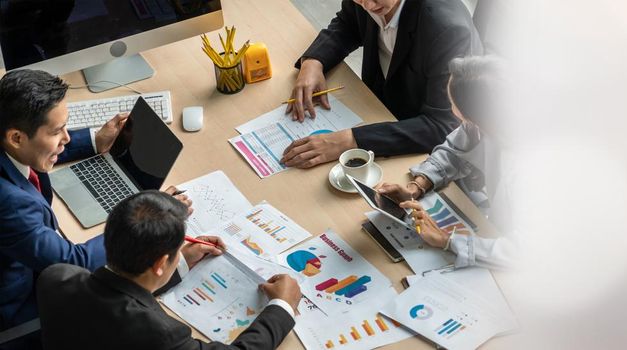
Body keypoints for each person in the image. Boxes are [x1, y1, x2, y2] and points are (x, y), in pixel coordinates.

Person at [0, 69, 190, 349]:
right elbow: (73, 260)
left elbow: (44, 145)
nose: (66, 138)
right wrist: (148, 220)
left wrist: (94, 140)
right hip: (20, 312)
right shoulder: (10, 204)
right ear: (16, 138)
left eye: (66, 127)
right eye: (56, 132)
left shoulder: (11, 140)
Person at [36, 190, 301, 349]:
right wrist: (282, 307)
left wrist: (181, 263)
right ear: (160, 264)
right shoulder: (160, 335)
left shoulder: (57, 277)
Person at [282, 0, 482, 167]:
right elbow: (348, 23)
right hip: (376, 109)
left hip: (416, 139)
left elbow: (443, 125)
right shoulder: (368, 1)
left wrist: (349, 141)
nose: (368, 5)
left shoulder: (448, 30)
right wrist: (314, 62)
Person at [375, 55, 516, 269]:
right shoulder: (490, 122)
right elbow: (453, 151)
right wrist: (416, 187)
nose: (451, 110)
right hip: (493, 226)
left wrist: (447, 240)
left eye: (454, 105)